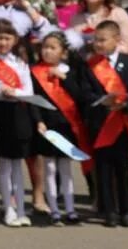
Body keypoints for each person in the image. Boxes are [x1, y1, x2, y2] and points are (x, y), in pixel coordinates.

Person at [80, 20, 128, 227]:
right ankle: (109, 211)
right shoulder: (90, 65)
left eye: (102, 40)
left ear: (117, 39)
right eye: (95, 40)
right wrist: (100, 102)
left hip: (122, 123)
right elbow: (85, 93)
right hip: (100, 124)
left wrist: (126, 104)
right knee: (103, 169)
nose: (97, 44)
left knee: (122, 169)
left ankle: (126, 210)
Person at [0, 19, 40, 227]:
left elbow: (29, 92)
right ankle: (8, 209)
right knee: (4, 166)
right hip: (0, 115)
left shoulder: (20, 63)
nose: (3, 42)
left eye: (7, 38)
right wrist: (0, 92)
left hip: (19, 114)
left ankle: (22, 209)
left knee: (18, 166)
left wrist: (15, 92)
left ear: (14, 40)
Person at [31, 31, 87, 225]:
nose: (47, 51)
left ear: (63, 52)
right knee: (49, 167)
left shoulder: (70, 71)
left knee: (66, 168)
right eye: (45, 47)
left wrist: (63, 77)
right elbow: (34, 101)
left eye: (52, 48)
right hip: (47, 126)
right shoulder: (36, 72)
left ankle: (70, 209)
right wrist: (38, 120)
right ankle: (54, 209)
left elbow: (79, 96)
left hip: (66, 125)